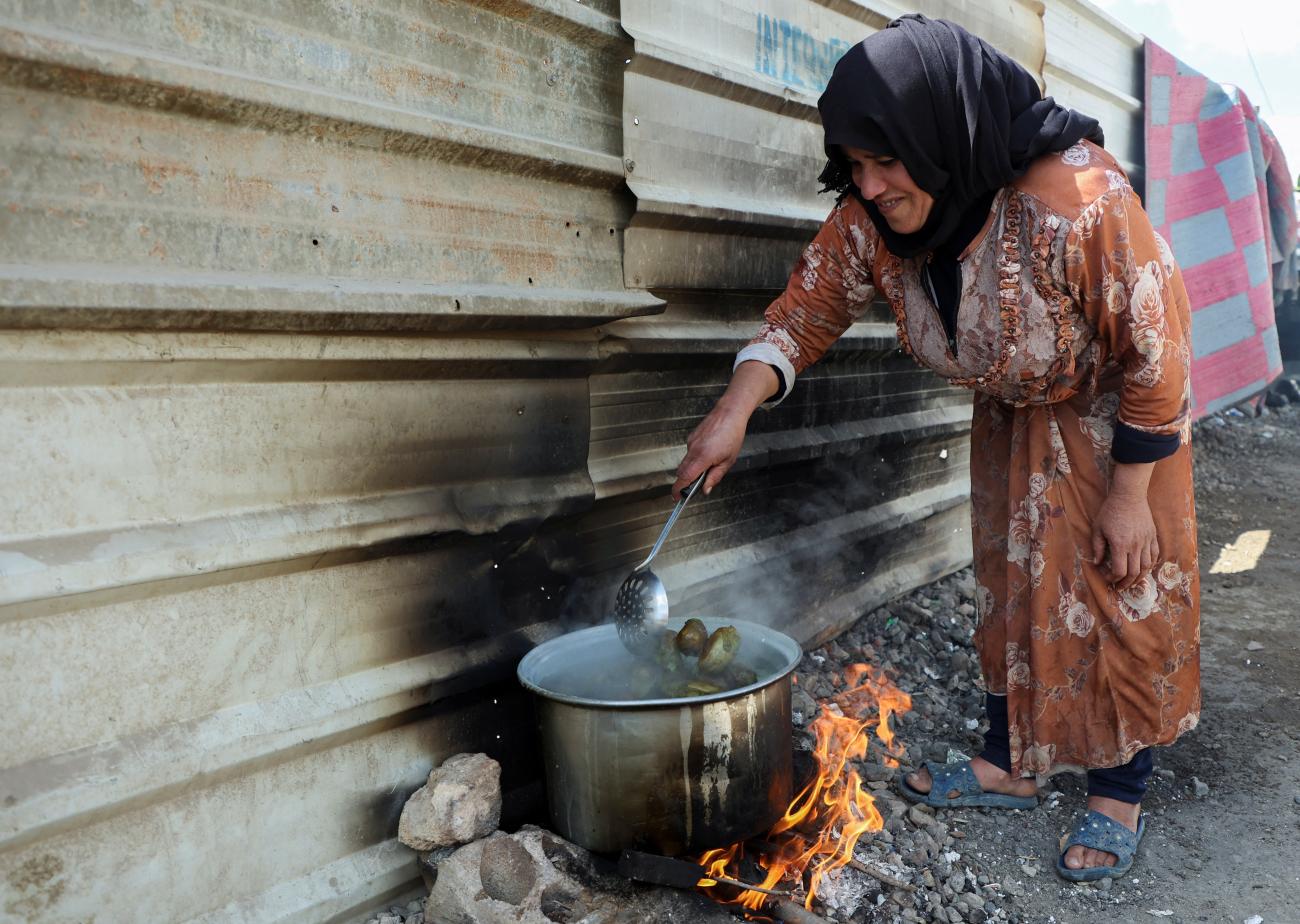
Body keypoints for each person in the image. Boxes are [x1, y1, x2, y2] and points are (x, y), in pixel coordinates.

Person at [672, 14, 1199, 882]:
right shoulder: (872, 220)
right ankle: (1010, 763)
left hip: (1122, 419)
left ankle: (1117, 791)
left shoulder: (1074, 200)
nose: (871, 186)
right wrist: (735, 407)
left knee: (1117, 587)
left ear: (939, 132)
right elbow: (805, 313)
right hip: (1014, 413)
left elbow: (1157, 348)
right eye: (856, 167)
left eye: (887, 160)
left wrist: (1130, 493)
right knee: (1011, 581)